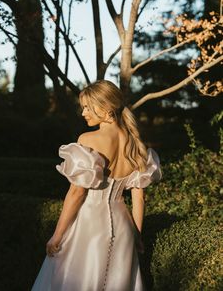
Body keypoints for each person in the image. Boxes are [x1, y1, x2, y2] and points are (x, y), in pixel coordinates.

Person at [31, 80, 162, 291]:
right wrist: (137, 235)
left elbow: (76, 192)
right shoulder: (136, 145)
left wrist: (57, 234)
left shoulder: (88, 139)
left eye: (87, 107)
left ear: (107, 107)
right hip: (123, 226)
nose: (83, 113)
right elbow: (139, 197)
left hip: (88, 223)